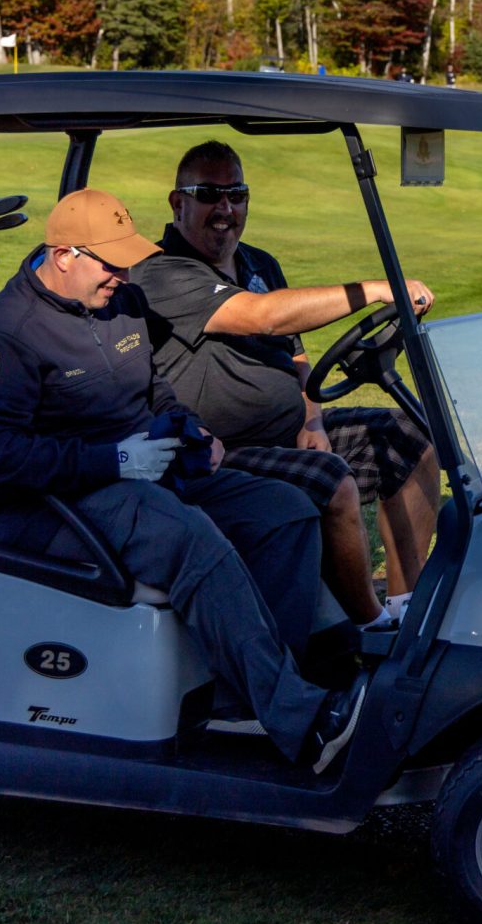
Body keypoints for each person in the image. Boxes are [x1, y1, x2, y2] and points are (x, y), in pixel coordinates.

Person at [0, 188, 363, 772]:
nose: (121, 275)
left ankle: (243, 703)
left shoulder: (121, 302)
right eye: (109, 264)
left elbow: (152, 387)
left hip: (140, 474)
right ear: (64, 256)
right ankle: (300, 721)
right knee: (190, 538)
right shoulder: (8, 335)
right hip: (54, 505)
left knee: (285, 512)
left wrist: (190, 428)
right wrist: (113, 461)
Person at [132, 142, 439, 629]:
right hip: (216, 451)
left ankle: (407, 606)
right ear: (178, 203)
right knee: (331, 480)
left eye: (237, 194)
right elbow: (264, 316)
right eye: (209, 194)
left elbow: (293, 350)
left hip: (287, 435)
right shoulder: (162, 271)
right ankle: (370, 627)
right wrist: (374, 290)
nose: (225, 208)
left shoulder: (259, 263)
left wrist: (311, 417)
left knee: (413, 437)